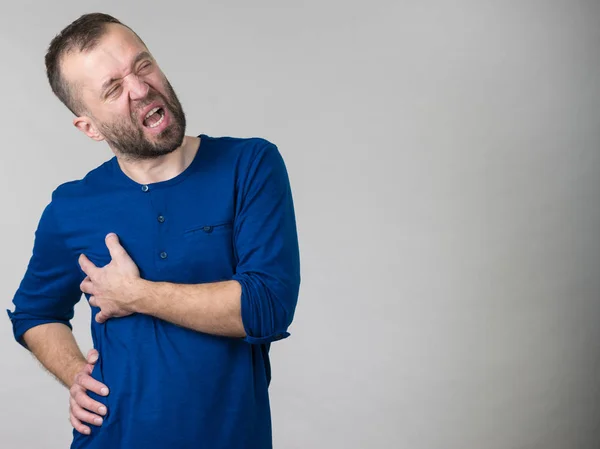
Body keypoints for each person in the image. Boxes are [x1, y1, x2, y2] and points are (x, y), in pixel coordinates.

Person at [6, 12, 301, 449]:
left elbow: (267, 306)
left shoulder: (249, 165)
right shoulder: (72, 206)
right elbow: (35, 313)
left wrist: (136, 294)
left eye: (142, 65)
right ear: (88, 127)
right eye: (113, 87)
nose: (141, 88)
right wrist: (76, 376)